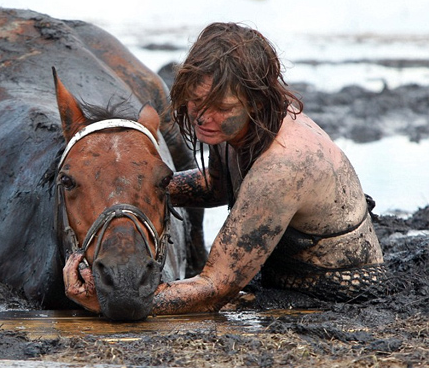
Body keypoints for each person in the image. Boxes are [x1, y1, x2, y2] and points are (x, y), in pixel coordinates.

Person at [63, 22, 387, 314]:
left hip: (337, 294)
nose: (203, 117)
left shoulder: (284, 167)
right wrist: (134, 191)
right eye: (196, 101)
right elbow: (218, 185)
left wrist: (112, 298)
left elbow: (215, 288)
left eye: (222, 107)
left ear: (257, 101)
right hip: (279, 278)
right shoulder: (237, 125)